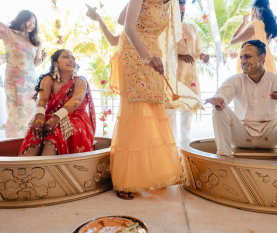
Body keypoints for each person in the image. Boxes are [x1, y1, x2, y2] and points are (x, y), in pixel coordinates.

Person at [87, 0, 203, 199]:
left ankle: (154, 173)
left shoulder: (171, 4)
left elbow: (125, 22)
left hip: (155, 56)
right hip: (136, 56)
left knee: (154, 110)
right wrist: (146, 57)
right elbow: (127, 26)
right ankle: (128, 179)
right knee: (135, 111)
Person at [205, 40, 277, 160]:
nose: (242, 61)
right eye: (241, 57)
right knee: (219, 109)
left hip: (270, 135)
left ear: (262, 57)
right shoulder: (236, 80)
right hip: (241, 134)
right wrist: (219, 100)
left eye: (247, 56)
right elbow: (223, 94)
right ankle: (223, 157)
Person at [18, 49, 96, 156]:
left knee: (56, 131)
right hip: (51, 116)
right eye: (66, 57)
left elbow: (76, 99)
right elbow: (42, 100)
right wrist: (39, 116)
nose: (71, 60)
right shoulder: (48, 80)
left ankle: (46, 168)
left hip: (76, 119)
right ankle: (25, 168)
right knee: (36, 128)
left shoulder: (80, 80)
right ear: (55, 63)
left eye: (73, 58)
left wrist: (57, 117)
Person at [0, 10, 47, 138]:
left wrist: (42, 59)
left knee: (31, 112)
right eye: (29, 21)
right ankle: (14, 143)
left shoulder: (36, 42)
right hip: (13, 80)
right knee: (16, 112)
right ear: (21, 19)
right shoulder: (9, 33)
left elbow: (33, 64)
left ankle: (30, 143)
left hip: (31, 82)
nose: (32, 25)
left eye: (34, 23)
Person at [165, 1, 210, 142]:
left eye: (183, 11)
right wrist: (179, 56)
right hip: (173, 77)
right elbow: (161, 51)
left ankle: (185, 148)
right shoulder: (166, 27)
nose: (181, 14)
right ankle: (172, 150)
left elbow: (196, 52)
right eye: (179, 11)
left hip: (190, 79)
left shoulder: (192, 28)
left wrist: (202, 56)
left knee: (187, 115)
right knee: (170, 114)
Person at [230, 0, 277, 115]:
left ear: (253, 9)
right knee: (264, 102)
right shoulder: (265, 26)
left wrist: (243, 24)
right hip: (265, 64)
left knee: (249, 102)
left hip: (251, 66)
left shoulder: (254, 25)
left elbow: (233, 41)